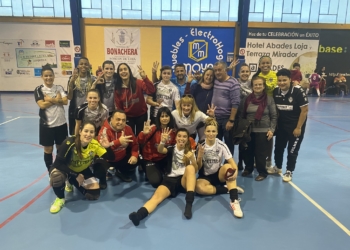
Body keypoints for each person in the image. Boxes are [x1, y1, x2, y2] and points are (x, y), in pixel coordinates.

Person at [129, 128, 198, 226]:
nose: (181, 138)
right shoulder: (171, 149)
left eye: (184, 136)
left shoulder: (190, 151)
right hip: (170, 179)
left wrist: (193, 159)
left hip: (183, 181)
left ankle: (188, 206)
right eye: (179, 136)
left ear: (187, 139)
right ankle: (139, 216)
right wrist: (162, 141)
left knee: (190, 168)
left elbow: (195, 170)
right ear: (176, 138)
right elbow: (161, 149)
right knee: (156, 197)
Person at [48, 122, 114, 213]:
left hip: (81, 170)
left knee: (93, 195)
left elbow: (111, 158)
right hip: (65, 169)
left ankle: (71, 180)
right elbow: (57, 164)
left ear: (94, 134)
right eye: (86, 131)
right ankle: (60, 198)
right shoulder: (70, 142)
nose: (88, 134)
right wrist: (75, 175)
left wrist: (108, 147)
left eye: (91, 132)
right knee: (57, 177)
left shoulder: (94, 144)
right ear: (80, 131)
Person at [195, 118, 243, 218]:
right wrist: (199, 156)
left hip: (218, 174)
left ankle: (234, 201)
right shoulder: (200, 146)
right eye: (208, 131)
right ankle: (227, 189)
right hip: (205, 176)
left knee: (229, 168)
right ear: (204, 132)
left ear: (217, 132)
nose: (211, 134)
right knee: (198, 188)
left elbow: (232, 163)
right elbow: (197, 167)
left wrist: (235, 173)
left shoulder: (221, 145)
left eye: (213, 131)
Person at [267, 68, 308, 182]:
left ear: (290, 80)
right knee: (279, 148)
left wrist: (298, 127)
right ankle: (278, 167)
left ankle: (289, 171)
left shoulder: (298, 91)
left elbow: (304, 110)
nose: (282, 83)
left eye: (284, 80)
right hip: (281, 127)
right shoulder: (276, 91)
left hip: (295, 127)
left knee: (292, 150)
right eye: (279, 80)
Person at [239, 76, 277, 181]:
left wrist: (271, 130)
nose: (258, 86)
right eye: (256, 84)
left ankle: (262, 172)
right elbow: (242, 115)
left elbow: (274, 116)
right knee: (248, 151)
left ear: (264, 86)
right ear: (252, 86)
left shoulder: (269, 99)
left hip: (263, 131)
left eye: (260, 84)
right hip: (249, 130)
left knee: (260, 153)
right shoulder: (246, 99)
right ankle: (248, 168)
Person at [34, 65, 68, 172]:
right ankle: (50, 171)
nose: (48, 78)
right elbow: (42, 105)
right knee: (48, 149)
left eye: (50, 75)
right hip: (47, 125)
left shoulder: (59, 88)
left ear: (53, 76)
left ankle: (59, 169)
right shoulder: (39, 89)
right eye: (46, 76)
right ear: (42, 77)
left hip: (61, 124)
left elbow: (65, 101)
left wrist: (49, 99)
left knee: (61, 148)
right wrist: (56, 99)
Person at [138, 107, 176, 187]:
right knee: (156, 182)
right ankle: (145, 167)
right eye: (162, 116)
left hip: (164, 158)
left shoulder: (173, 131)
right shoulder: (152, 129)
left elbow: (173, 147)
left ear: (170, 117)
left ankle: (163, 169)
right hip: (151, 159)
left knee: (173, 177)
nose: (164, 118)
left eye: (166, 116)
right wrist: (143, 134)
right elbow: (139, 141)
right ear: (158, 118)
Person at [98, 110, 139, 182]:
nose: (121, 122)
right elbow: (103, 151)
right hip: (108, 160)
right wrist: (118, 142)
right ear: (111, 119)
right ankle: (108, 171)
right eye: (118, 119)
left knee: (138, 160)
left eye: (123, 120)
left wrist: (134, 156)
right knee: (99, 168)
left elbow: (135, 144)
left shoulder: (128, 128)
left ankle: (119, 171)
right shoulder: (104, 131)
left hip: (121, 157)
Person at [114, 63, 155, 136]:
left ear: (129, 71)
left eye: (125, 69)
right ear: (118, 73)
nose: (123, 71)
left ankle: (141, 148)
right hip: (128, 116)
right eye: (120, 70)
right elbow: (119, 106)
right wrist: (122, 118)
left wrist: (145, 78)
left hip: (141, 115)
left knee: (142, 135)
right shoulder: (118, 88)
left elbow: (151, 90)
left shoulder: (138, 82)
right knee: (130, 136)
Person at [252, 56, 277, 168]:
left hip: (270, 106)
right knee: (256, 136)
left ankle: (268, 160)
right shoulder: (256, 77)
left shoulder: (275, 76)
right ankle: (256, 160)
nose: (265, 65)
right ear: (259, 65)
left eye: (267, 63)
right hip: (257, 107)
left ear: (271, 64)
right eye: (263, 63)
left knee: (269, 135)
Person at [212, 60, 240, 155]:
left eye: (220, 70)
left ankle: (229, 165)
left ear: (225, 70)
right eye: (215, 70)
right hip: (214, 118)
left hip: (227, 119)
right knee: (216, 143)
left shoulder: (233, 82)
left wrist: (231, 120)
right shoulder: (215, 80)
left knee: (228, 144)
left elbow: (235, 103)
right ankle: (217, 165)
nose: (217, 72)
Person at [67, 57, 96, 135]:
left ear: (89, 66)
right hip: (75, 111)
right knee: (75, 134)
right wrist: (71, 83)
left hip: (88, 111)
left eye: (86, 64)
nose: (83, 66)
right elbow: (69, 97)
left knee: (88, 133)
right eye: (81, 64)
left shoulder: (93, 79)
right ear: (78, 66)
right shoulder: (73, 78)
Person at [190, 67, 215, 141]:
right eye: (207, 75)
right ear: (203, 75)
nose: (209, 77)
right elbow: (189, 99)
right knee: (190, 140)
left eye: (211, 75)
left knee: (203, 141)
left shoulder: (215, 89)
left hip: (206, 119)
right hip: (194, 117)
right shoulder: (195, 87)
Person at [237, 63, 252, 170]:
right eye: (243, 71)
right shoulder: (234, 82)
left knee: (246, 141)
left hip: (249, 115)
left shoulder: (253, 83)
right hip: (237, 115)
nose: (245, 73)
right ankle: (238, 161)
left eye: (247, 71)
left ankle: (246, 162)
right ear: (239, 73)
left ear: (250, 73)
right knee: (238, 139)